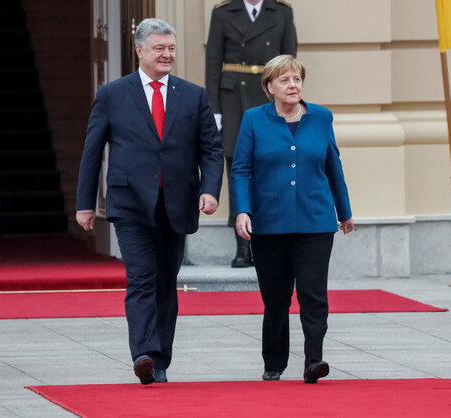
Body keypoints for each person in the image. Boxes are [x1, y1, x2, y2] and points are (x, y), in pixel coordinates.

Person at [75, 18, 223, 385]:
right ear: (139, 50)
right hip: (130, 204)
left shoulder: (193, 95)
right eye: (159, 48)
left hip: (177, 202)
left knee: (165, 282)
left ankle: (161, 360)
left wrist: (210, 190)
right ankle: (144, 353)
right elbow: (92, 151)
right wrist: (85, 204)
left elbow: (212, 149)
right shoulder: (112, 94)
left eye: (171, 48)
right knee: (141, 278)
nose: (167, 55)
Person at [231, 55, 353, 384]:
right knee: (276, 298)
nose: (292, 85)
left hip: (315, 222)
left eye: (297, 79)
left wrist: (344, 212)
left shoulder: (321, 117)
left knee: (313, 294)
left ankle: (314, 360)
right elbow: (241, 168)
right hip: (269, 224)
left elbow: (332, 165)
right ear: (269, 86)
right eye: (284, 80)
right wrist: (242, 210)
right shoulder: (254, 119)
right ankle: (274, 362)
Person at [205, 0, 297, 267]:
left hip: (269, 98)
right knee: (238, 169)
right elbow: (213, 63)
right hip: (233, 99)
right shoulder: (223, 13)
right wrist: (214, 109)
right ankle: (243, 246)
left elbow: (290, 65)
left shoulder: (281, 12)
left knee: (273, 168)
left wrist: (289, 106)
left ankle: (268, 241)